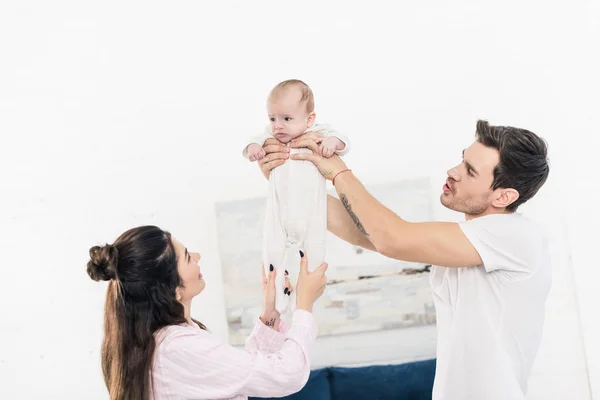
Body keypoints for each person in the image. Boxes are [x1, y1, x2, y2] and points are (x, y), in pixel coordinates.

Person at [257, 120, 551, 400]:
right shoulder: (474, 239)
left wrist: (338, 172)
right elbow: (367, 234)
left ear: (503, 197)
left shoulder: (516, 236)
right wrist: (287, 181)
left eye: (470, 171)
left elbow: (391, 238)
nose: (453, 170)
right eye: (462, 159)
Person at [86, 225, 328, 400]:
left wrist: (270, 315)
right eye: (188, 257)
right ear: (173, 289)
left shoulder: (161, 343)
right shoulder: (178, 347)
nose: (198, 257)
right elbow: (286, 375)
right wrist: (304, 306)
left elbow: (242, 376)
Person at [242, 79, 350, 314]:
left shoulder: (317, 133)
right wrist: (253, 149)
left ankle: (305, 296)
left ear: (309, 119)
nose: (277, 126)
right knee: (272, 246)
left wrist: (332, 143)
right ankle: (278, 297)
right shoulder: (270, 138)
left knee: (314, 248)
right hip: (279, 208)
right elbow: (253, 142)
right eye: (272, 119)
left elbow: (343, 141)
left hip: (311, 209)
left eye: (286, 119)